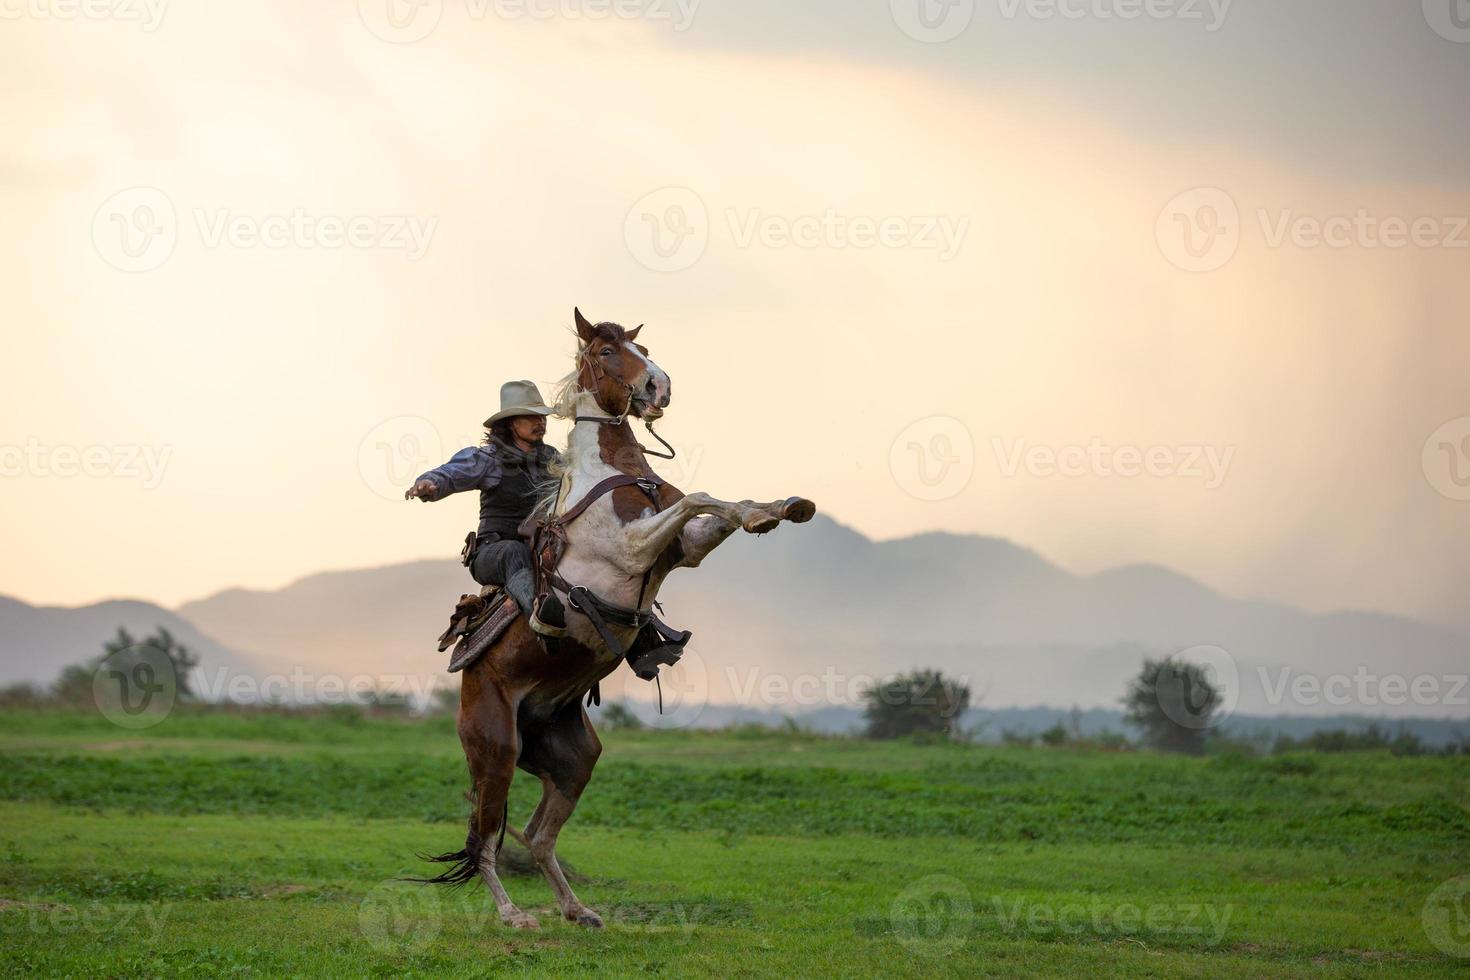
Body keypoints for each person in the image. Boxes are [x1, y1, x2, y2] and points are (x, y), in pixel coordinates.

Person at [405, 380, 565, 636]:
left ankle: (641, 637)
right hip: (494, 551)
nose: (541, 422)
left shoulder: (554, 459)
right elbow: (451, 473)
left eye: (542, 416)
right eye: (531, 416)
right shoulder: (487, 459)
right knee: (514, 552)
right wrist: (430, 483)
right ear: (512, 423)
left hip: (542, 548)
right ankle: (540, 616)